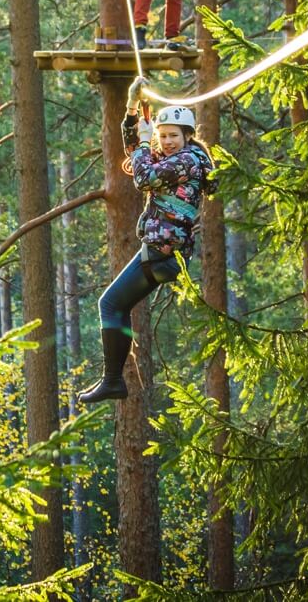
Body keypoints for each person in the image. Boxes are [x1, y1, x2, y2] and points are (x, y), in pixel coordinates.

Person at [78, 79, 215, 404]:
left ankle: (112, 381)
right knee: (115, 305)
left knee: (110, 305)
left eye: (173, 136)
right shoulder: (177, 159)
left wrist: (143, 141)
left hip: (161, 252)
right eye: (163, 136)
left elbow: (142, 177)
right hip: (160, 253)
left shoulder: (187, 162)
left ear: (187, 137)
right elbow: (136, 154)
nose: (167, 142)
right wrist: (130, 109)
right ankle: (112, 381)